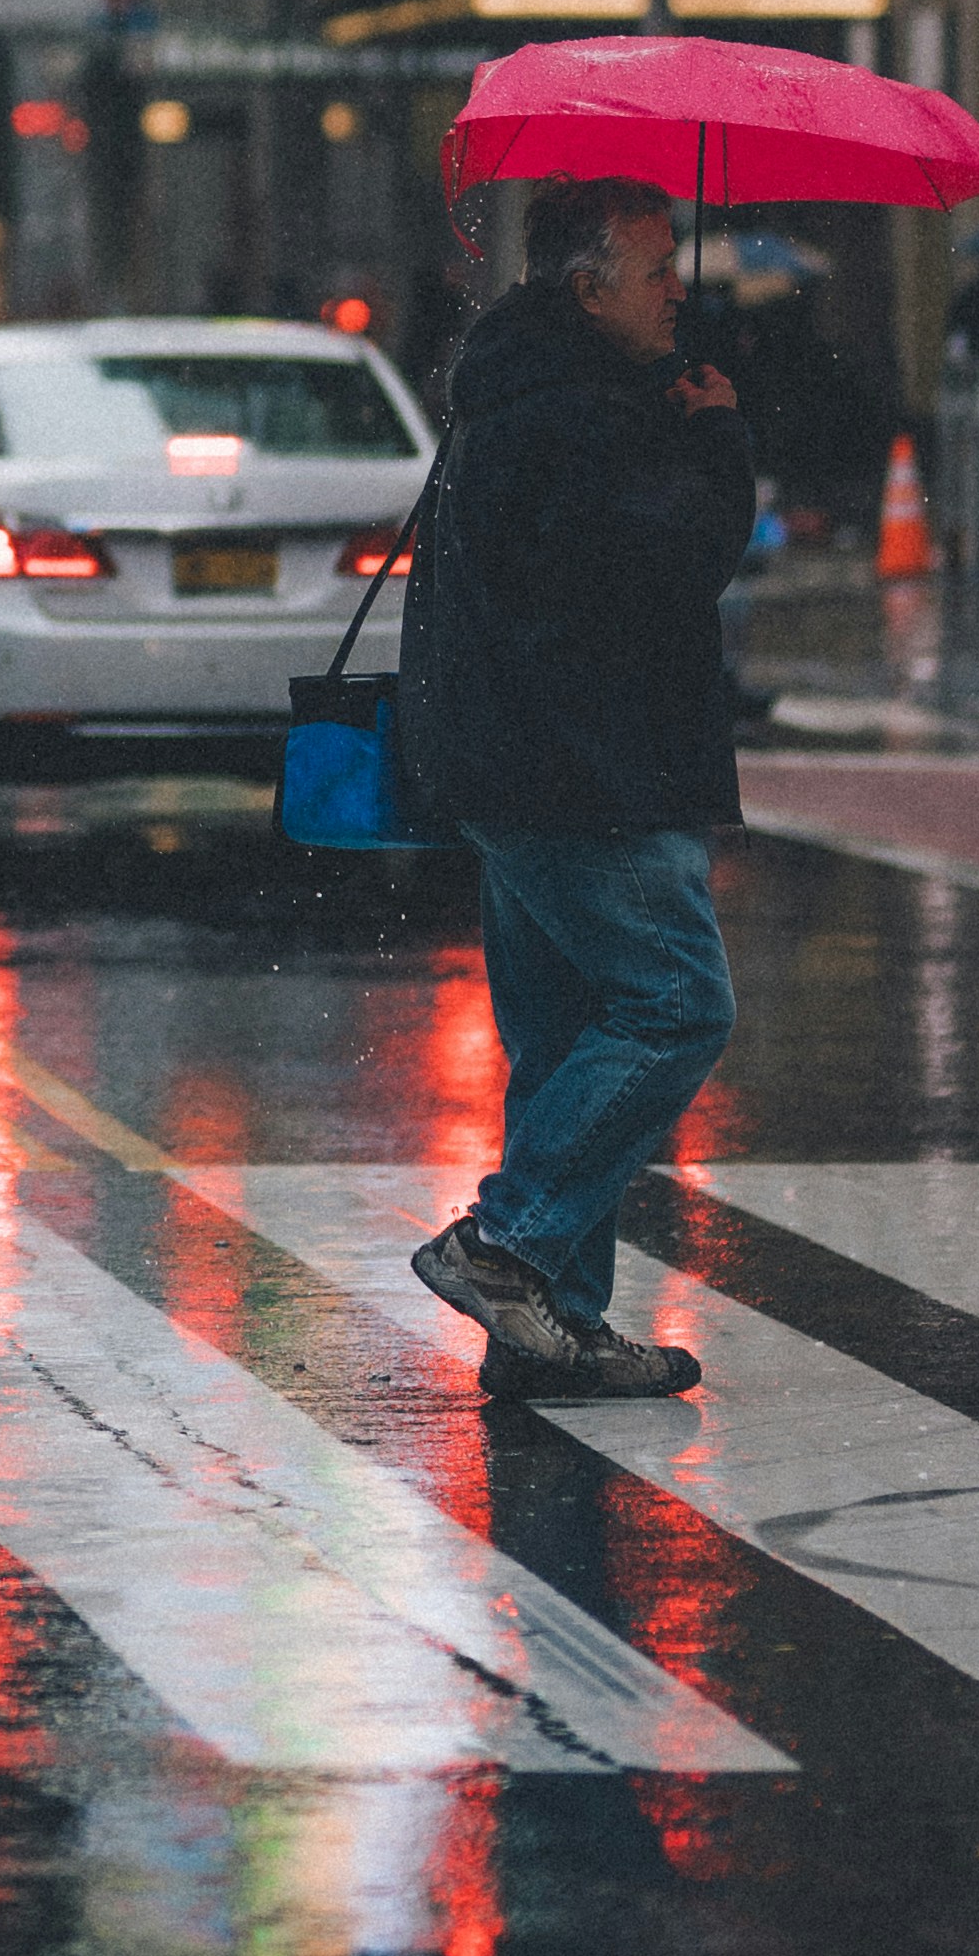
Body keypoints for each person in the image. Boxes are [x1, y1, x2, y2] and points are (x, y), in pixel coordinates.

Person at [398, 172, 753, 1399]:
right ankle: (507, 1245)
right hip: (590, 770)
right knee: (672, 1006)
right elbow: (675, 561)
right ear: (587, 282)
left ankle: (551, 1325)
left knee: (558, 1045)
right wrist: (712, 436)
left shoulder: (523, 389)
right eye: (656, 269)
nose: (677, 292)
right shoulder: (582, 413)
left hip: (519, 763)